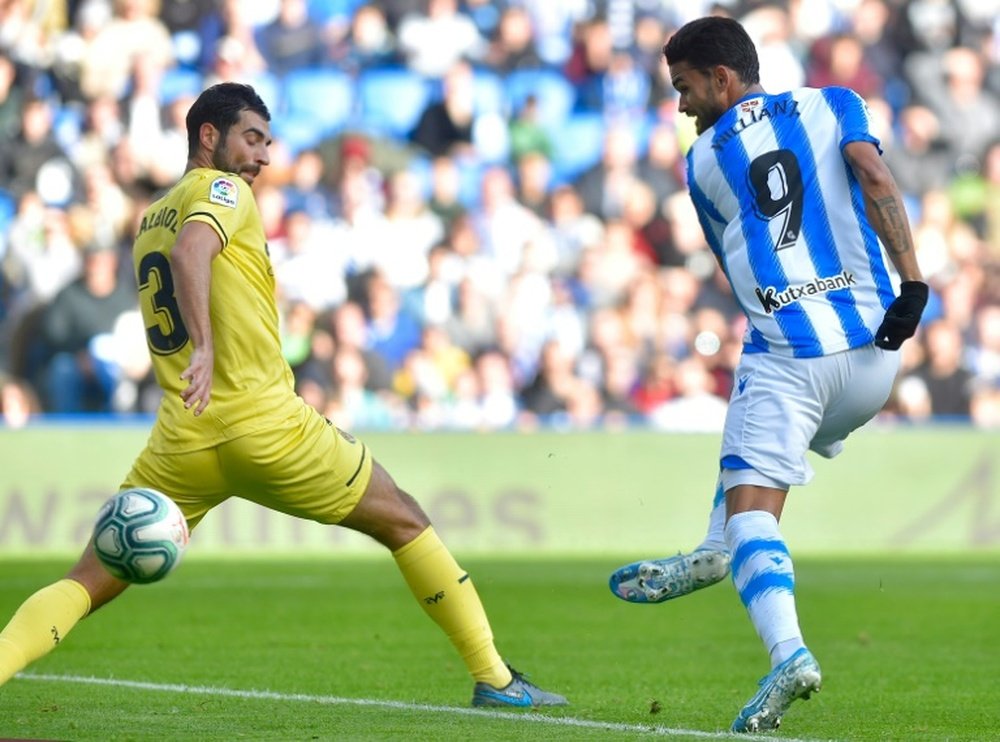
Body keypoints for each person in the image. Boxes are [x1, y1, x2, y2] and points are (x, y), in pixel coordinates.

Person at [0, 82, 565, 710]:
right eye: (251, 138)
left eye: (267, 142)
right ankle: (494, 678)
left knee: (86, 579)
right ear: (208, 137)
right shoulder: (224, 190)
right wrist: (209, 348)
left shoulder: (148, 216)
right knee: (403, 518)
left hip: (181, 441)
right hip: (266, 425)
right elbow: (194, 251)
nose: (263, 156)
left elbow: (186, 256)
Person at [607, 17, 926, 733]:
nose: (682, 106)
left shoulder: (702, 163)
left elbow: (735, 266)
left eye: (685, 89)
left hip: (793, 364)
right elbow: (875, 176)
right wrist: (914, 283)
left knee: (755, 496)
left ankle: (783, 644)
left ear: (722, 80)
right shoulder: (836, 103)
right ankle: (718, 546)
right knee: (751, 427)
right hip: (877, 357)